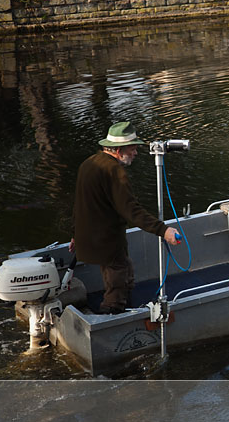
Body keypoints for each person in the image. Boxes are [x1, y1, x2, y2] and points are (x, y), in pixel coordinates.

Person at [69, 122, 180, 314]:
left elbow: (80, 204)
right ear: (119, 150)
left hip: (88, 238)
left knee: (125, 270)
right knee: (118, 280)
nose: (136, 153)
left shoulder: (88, 164)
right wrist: (163, 230)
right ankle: (111, 317)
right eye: (133, 148)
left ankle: (125, 306)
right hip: (107, 240)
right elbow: (132, 211)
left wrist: (75, 234)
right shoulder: (115, 172)